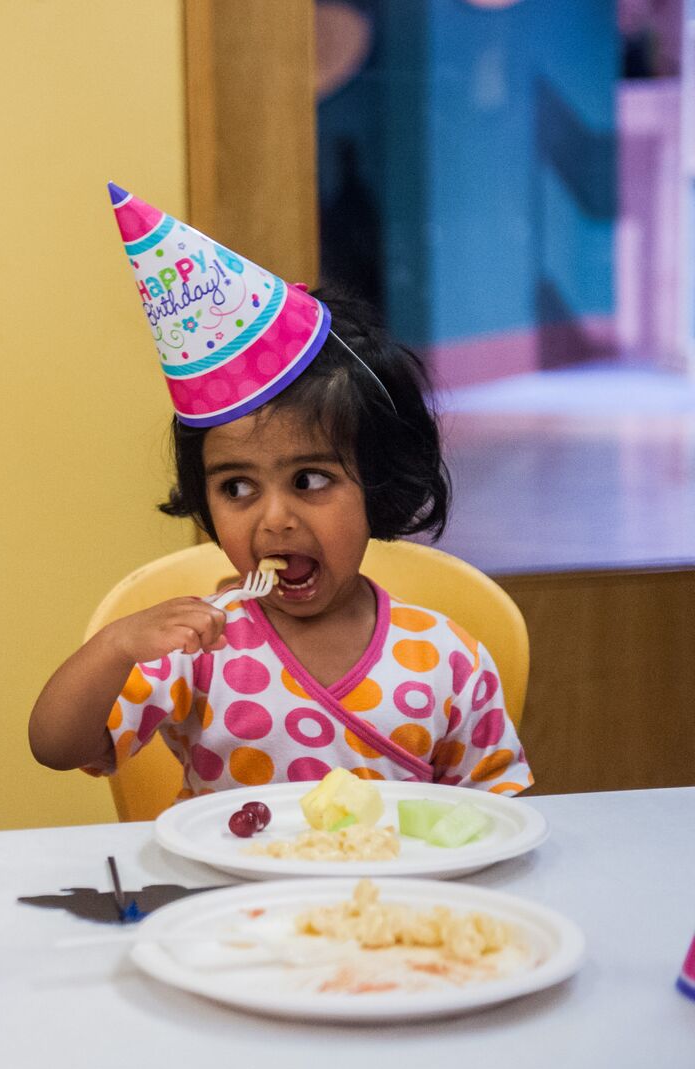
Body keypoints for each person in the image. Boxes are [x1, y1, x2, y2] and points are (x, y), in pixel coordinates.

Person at [27, 187, 533, 798]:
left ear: (378, 480)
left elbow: (495, 811)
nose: (274, 519)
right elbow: (57, 748)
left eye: (311, 480)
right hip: (228, 894)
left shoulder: (448, 658)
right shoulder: (199, 649)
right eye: (237, 486)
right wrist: (114, 647)